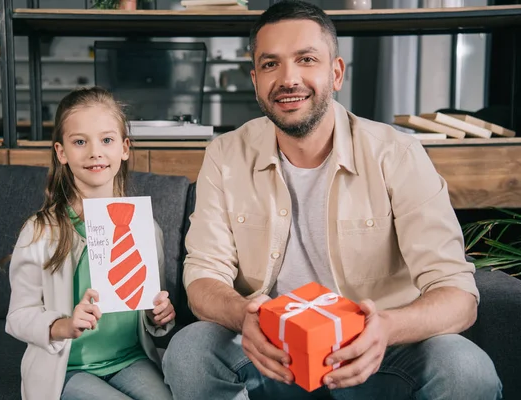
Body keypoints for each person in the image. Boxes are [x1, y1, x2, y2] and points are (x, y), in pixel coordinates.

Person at [162, 1, 502, 399]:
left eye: (306, 59)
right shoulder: (226, 155)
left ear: (336, 72)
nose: (289, 79)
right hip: (273, 354)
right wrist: (242, 317)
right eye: (271, 64)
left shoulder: (398, 154)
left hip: (378, 354)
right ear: (255, 79)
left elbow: (458, 295)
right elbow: (203, 274)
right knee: (190, 351)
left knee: (465, 368)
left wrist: (387, 328)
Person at [5, 87, 175, 400]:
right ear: (61, 152)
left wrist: (158, 314)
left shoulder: (146, 228)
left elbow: (150, 307)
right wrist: (63, 325)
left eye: (107, 140)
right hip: (67, 368)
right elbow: (18, 316)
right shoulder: (40, 230)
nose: (95, 152)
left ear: (124, 148)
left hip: (130, 359)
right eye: (80, 141)